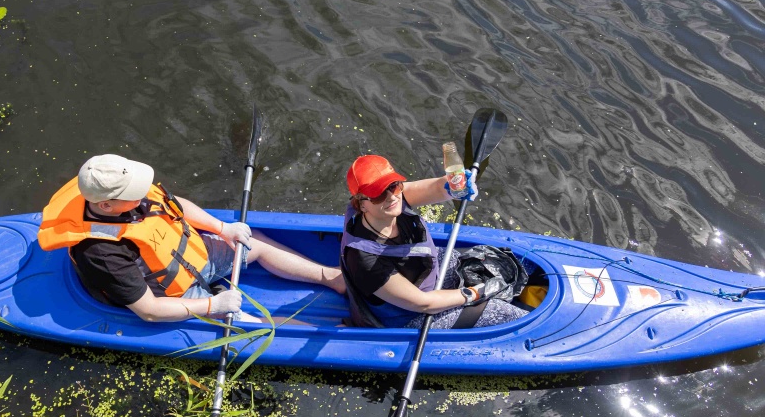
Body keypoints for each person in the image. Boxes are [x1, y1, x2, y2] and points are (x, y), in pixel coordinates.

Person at [38, 154, 345, 322]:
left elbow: (175, 205)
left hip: (190, 256)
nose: (144, 193)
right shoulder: (101, 253)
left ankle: (332, 277)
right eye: (135, 195)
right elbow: (149, 311)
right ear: (106, 206)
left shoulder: (124, 188)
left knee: (255, 243)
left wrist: (222, 228)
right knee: (247, 326)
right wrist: (213, 305)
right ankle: (330, 333)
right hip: (169, 297)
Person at [340, 154, 527, 329]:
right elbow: (423, 303)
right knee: (501, 313)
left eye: (393, 185)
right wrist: (474, 293)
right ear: (360, 203)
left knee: (492, 261)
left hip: (429, 271)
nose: (391, 197)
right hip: (410, 315)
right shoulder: (365, 260)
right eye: (378, 194)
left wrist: (454, 186)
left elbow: (436, 188)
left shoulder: (395, 198)